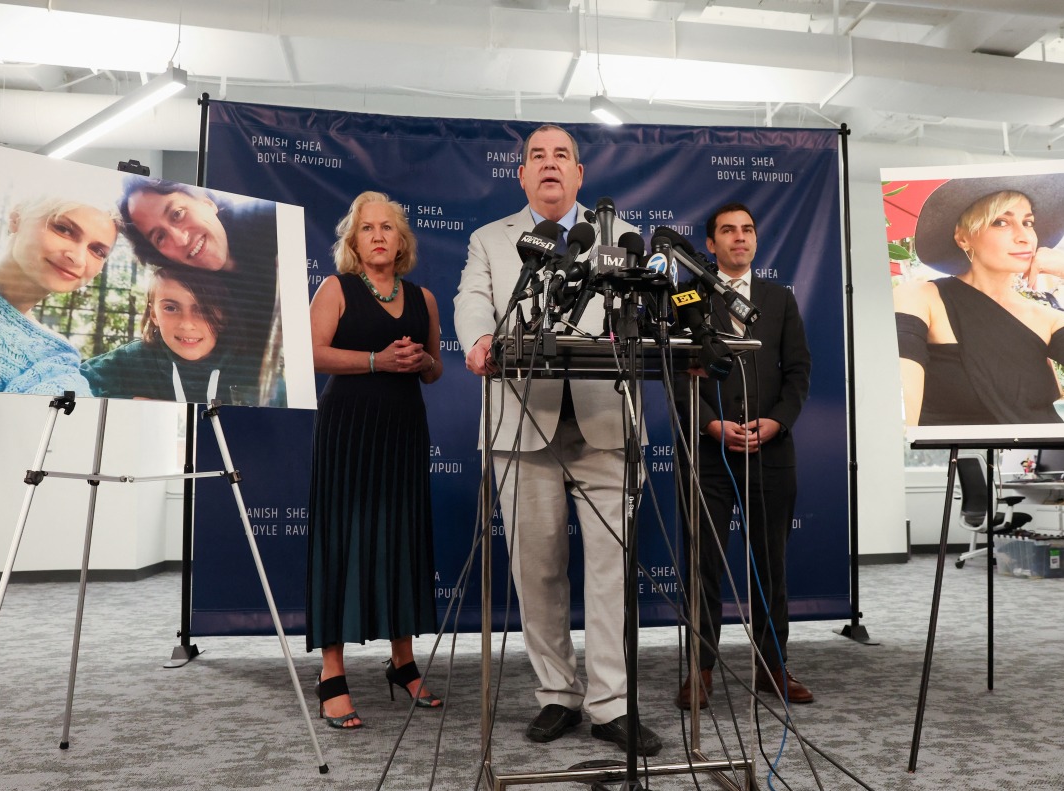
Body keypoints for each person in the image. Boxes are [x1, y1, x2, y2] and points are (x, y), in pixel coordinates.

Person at [454, 124, 663, 755]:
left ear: (579, 175)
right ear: (521, 175)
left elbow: (649, 310)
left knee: (609, 571)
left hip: (606, 423)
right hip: (523, 423)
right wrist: (479, 341)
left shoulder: (621, 238)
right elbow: (473, 300)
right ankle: (557, 696)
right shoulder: (491, 238)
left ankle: (611, 704)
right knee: (537, 570)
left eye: (562, 156)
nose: (549, 165)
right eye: (536, 157)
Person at [305, 191, 444, 729]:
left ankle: (402, 662)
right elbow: (314, 353)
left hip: (403, 429)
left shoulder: (423, 297)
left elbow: (433, 370)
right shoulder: (335, 288)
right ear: (353, 241)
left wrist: (423, 360)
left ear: (402, 239)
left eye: (389, 227)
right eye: (368, 228)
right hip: (349, 430)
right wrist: (377, 360)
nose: (380, 235)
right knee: (341, 541)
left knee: (401, 539)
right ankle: (331, 673)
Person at [675, 203, 813, 708]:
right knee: (703, 565)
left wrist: (775, 422)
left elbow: (799, 372)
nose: (740, 238)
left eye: (748, 230)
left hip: (771, 450)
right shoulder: (686, 299)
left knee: (770, 565)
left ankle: (772, 667)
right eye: (728, 231)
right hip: (708, 452)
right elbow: (675, 373)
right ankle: (700, 669)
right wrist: (712, 425)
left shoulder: (779, 299)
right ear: (709, 245)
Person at [894, 173, 1064, 426]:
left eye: (1028, 222)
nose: (1024, 236)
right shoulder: (919, 298)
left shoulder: (1048, 320)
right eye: (1001, 222)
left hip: (1042, 455)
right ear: (963, 238)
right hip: (956, 459)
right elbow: (901, 406)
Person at [118, 177, 280, 404]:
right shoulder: (195, 289)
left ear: (207, 202)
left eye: (177, 214)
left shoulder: (270, 218)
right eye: (160, 237)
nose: (181, 238)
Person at [0, 196, 118, 396]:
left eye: (97, 250)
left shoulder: (55, 357)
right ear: (16, 218)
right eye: (63, 229)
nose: (78, 258)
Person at [81, 267, 251, 403]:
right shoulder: (134, 358)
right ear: (153, 314)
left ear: (224, 314)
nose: (186, 323)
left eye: (203, 309)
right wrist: (127, 402)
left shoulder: (248, 368)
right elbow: (67, 383)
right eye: (170, 308)